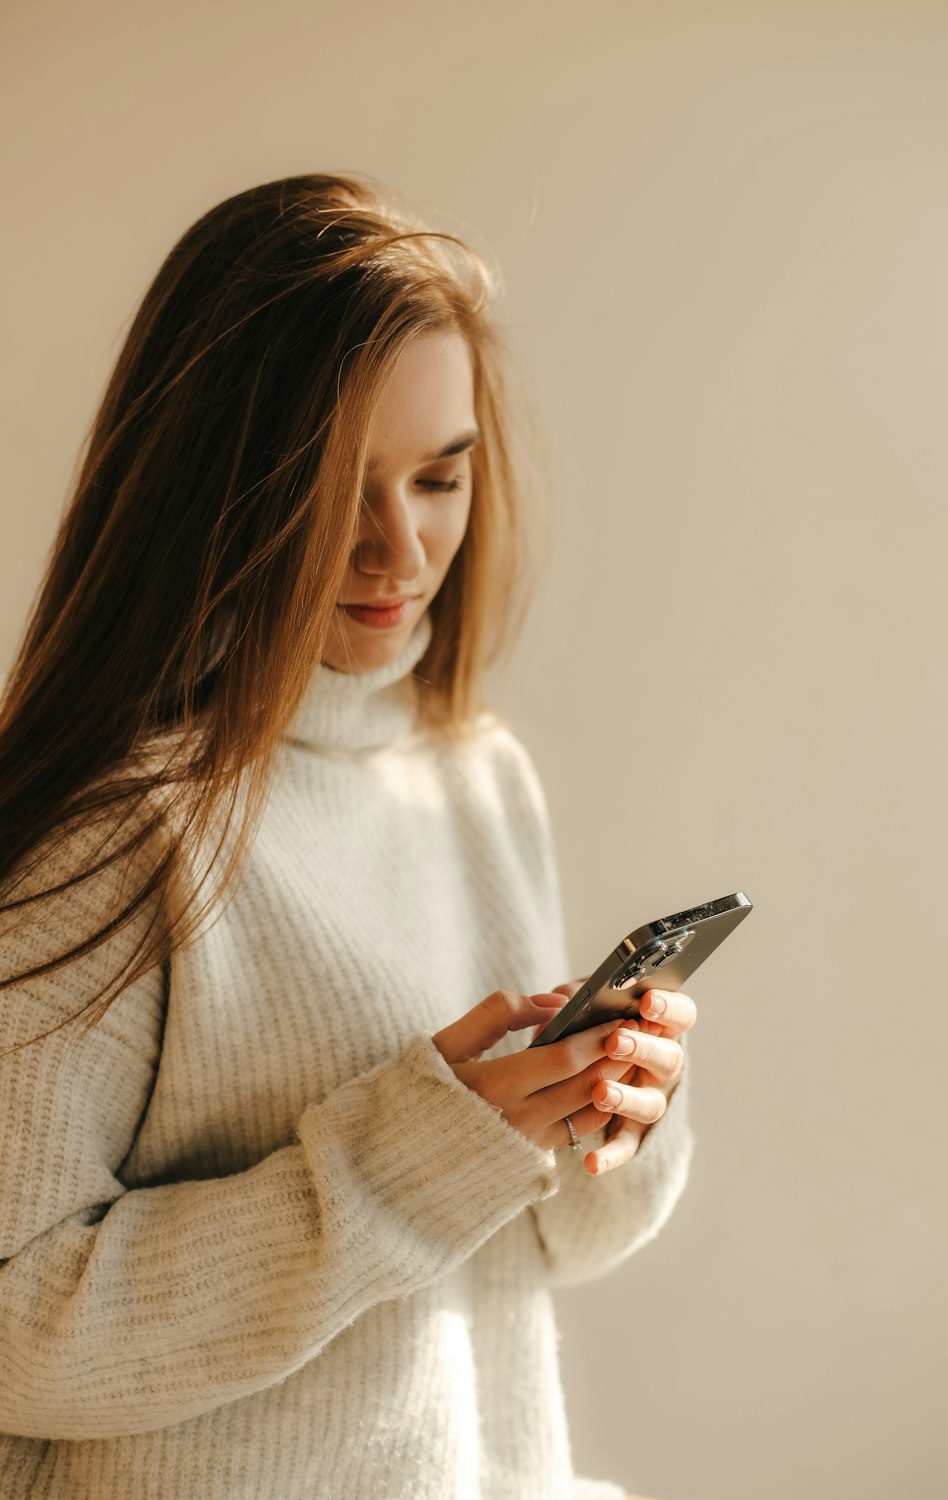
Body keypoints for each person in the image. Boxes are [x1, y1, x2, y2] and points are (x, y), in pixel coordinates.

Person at [0, 172, 696, 1500]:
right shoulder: (114, 835)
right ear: (209, 484)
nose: (399, 548)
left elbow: (526, 1249)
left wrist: (604, 1116)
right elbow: (14, 1328)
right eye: (333, 490)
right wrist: (411, 1156)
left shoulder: (473, 778)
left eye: (440, 478)